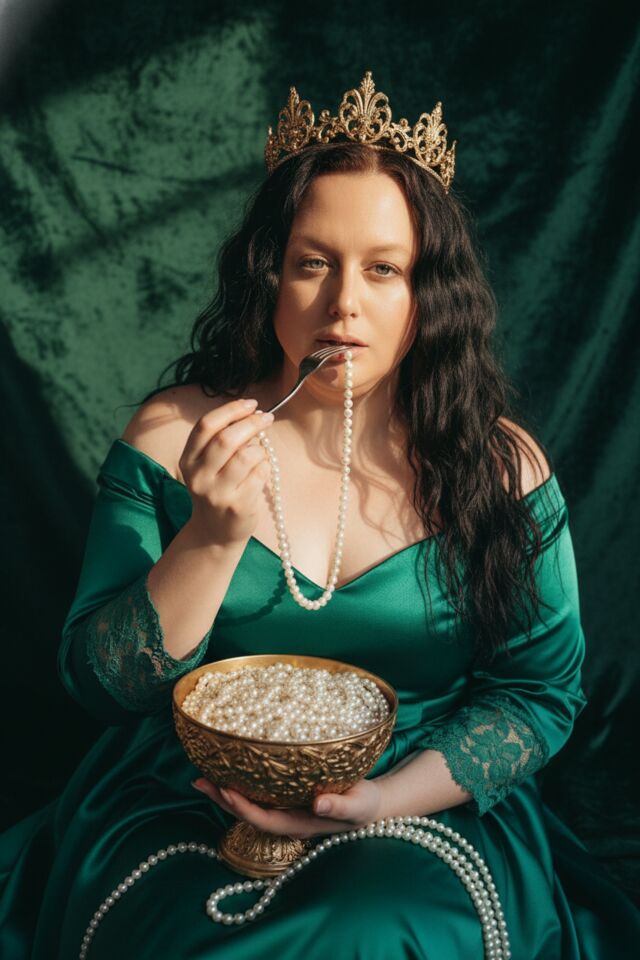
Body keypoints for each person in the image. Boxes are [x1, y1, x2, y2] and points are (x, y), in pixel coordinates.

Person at [1, 72, 638, 959]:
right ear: (269, 277)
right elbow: (102, 689)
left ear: (428, 295)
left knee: (375, 928)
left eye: (383, 269)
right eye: (313, 263)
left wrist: (380, 800)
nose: (344, 303)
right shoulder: (172, 437)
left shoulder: (500, 470)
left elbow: (537, 695)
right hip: (189, 794)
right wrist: (210, 538)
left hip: (419, 794)